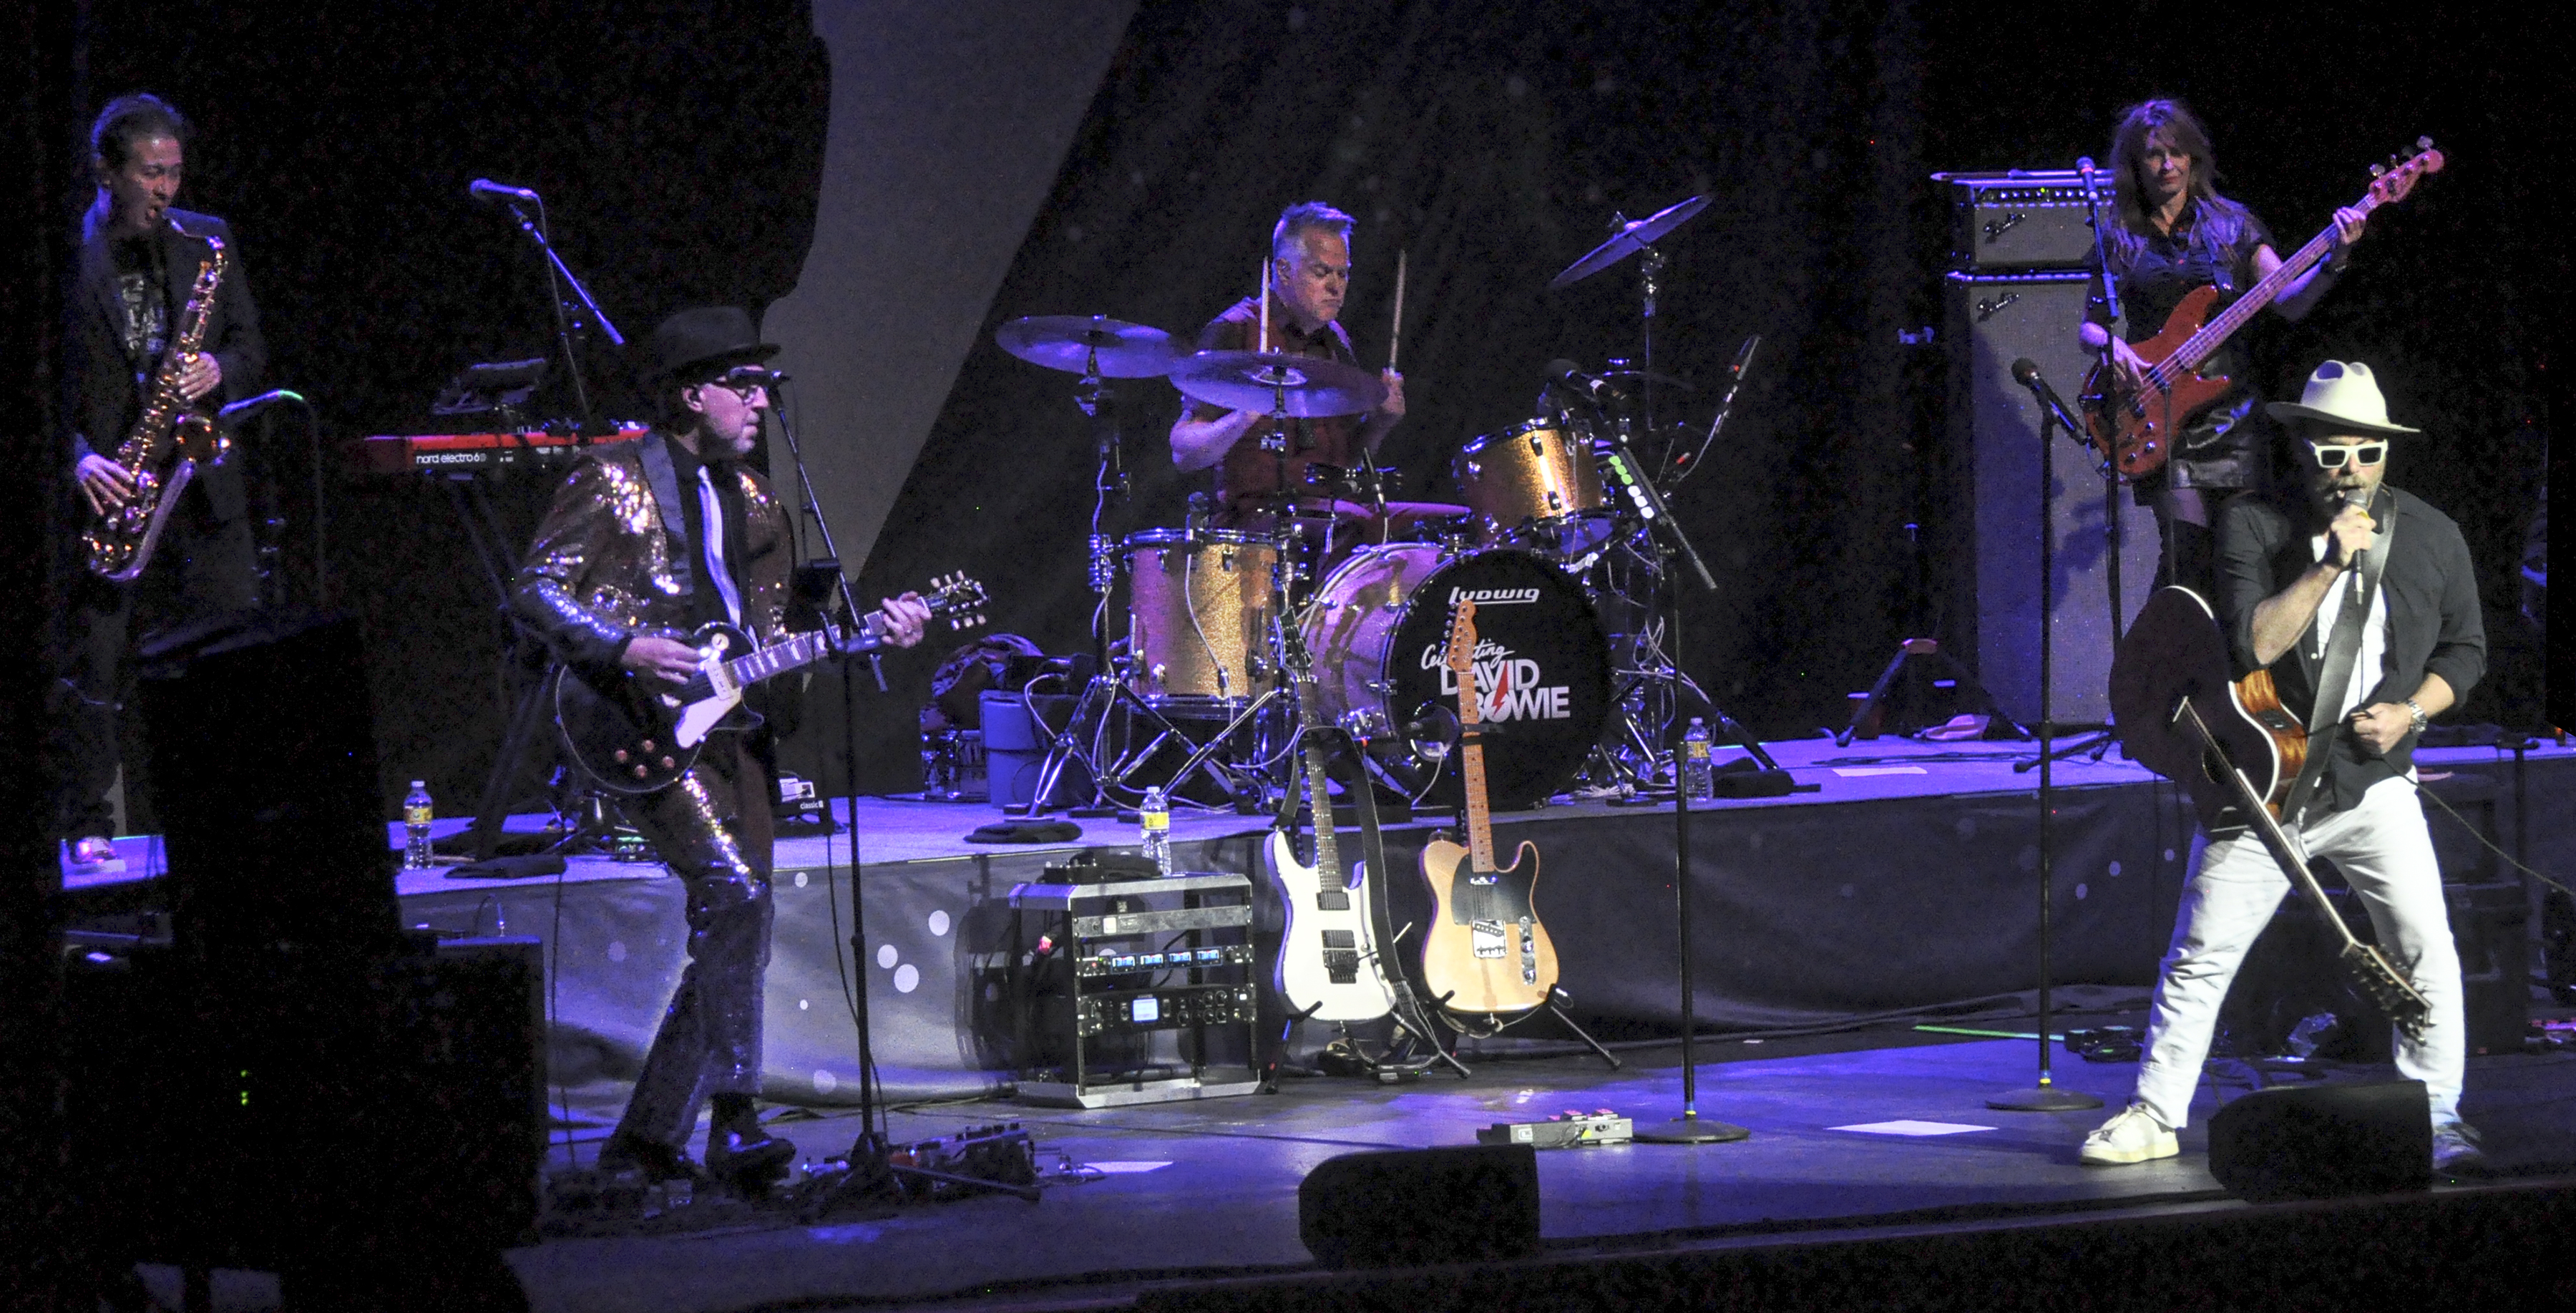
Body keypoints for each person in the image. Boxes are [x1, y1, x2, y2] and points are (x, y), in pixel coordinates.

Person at [514, 306, 931, 1187]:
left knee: (742, 917)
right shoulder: (613, 474)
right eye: (742, 386)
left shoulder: (756, 502)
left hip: (733, 725)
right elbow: (538, 588)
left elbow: (767, 635)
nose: (759, 401)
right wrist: (623, 645)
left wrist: (869, 632)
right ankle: (733, 1119)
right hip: (635, 720)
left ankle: (652, 1137)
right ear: (691, 393)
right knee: (736, 901)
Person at [2083, 361, 2487, 1175]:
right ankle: (2156, 1110)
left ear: (2385, 453)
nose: (2350, 472)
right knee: (2202, 952)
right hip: (2271, 783)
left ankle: (2437, 1114)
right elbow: (2257, 642)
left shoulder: (2435, 535)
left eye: (2365, 454)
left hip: (2374, 785)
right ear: (2302, 449)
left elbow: (2465, 651)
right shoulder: (2254, 525)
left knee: (2423, 948)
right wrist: (2330, 561)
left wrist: (2413, 711)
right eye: (2331, 453)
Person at [54, 92, 265, 875]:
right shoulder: (64, 257)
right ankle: (88, 820)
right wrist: (76, 456)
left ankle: (231, 815)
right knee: (96, 664)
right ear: (105, 171)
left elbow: (249, 346)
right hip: (110, 487)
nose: (166, 191)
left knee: (226, 648)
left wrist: (221, 367)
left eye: (174, 173)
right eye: (151, 174)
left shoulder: (207, 242)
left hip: (201, 483)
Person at [2078, 98, 2366, 597]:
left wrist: (2334, 261)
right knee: (2184, 559)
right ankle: (2152, 670)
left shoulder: (2232, 225)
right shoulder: (2119, 234)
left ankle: (2235, 675)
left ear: (2193, 157)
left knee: (2238, 566)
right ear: (2135, 165)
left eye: (2176, 152)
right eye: (2153, 155)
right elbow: (2089, 327)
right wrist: (2112, 346)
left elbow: (2289, 302)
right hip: (2160, 415)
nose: (2167, 165)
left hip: (2233, 419)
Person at [1170, 200, 1418, 549]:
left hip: (1330, 512)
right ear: (1284, 271)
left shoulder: (1335, 342)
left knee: (1441, 528)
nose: (1336, 286)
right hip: (1254, 525)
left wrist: (1380, 423)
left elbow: (1345, 460)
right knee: (1358, 530)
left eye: (1342, 273)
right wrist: (1244, 416)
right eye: (1321, 272)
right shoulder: (1237, 331)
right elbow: (1183, 452)